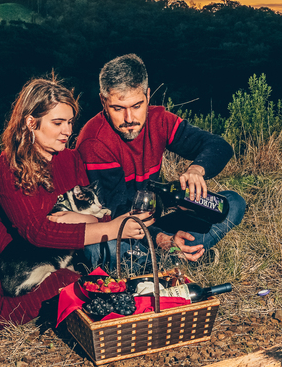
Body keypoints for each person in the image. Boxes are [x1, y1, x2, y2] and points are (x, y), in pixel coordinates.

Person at [0, 77, 153, 332]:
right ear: (31, 122)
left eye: (70, 122)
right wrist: (113, 229)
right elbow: (37, 231)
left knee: (78, 285)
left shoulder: (69, 159)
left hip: (47, 252)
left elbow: (94, 210)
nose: (67, 131)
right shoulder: (9, 168)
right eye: (58, 123)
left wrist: (88, 220)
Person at [77, 54, 246, 271]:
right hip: (119, 231)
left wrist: (196, 170)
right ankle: (172, 260)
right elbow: (118, 213)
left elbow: (219, 146)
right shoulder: (95, 140)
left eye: (137, 105)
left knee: (232, 203)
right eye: (118, 108)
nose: (129, 118)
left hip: (152, 225)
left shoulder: (159, 120)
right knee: (102, 250)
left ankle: (167, 260)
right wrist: (162, 240)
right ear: (103, 101)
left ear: (148, 95)